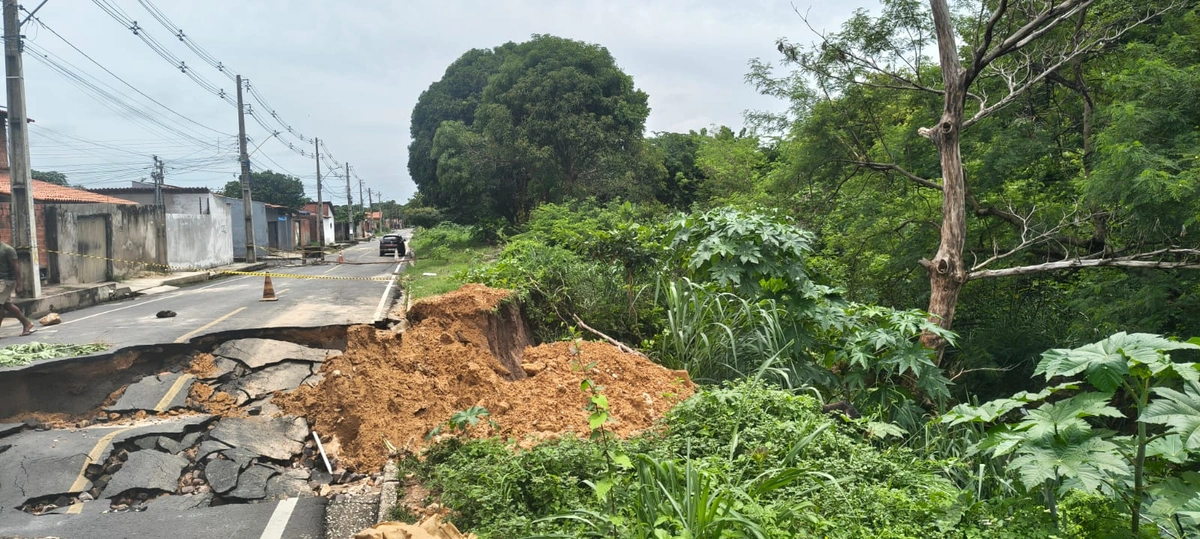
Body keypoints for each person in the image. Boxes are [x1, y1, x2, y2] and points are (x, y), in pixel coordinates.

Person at [0, 241, 35, 337]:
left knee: (1, 305)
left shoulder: (7, 249)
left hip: (6, 281)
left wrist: (19, 284)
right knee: (6, 305)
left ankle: (26, 323)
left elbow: (16, 266)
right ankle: (27, 323)